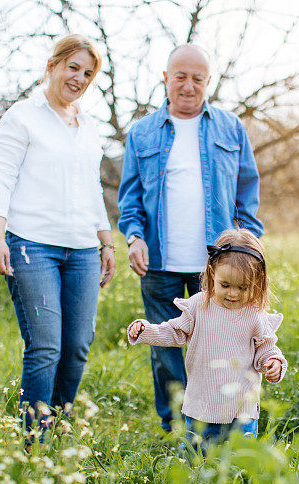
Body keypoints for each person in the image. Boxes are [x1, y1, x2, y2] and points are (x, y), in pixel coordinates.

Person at [118, 43, 264, 432]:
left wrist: (249, 250)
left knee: (224, 348)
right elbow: (129, 199)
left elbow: (247, 195)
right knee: (166, 348)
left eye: (197, 78)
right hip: (160, 261)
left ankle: (225, 425)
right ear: (165, 78)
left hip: (220, 267)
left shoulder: (231, 128)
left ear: (208, 82)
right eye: (179, 76)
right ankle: (178, 429)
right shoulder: (142, 133)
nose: (188, 85)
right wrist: (134, 237)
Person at [0, 34, 116, 444]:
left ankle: (58, 428)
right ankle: (32, 442)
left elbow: (92, 188)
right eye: (73, 67)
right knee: (45, 347)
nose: (79, 78)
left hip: (81, 248)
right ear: (54, 66)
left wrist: (106, 241)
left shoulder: (88, 126)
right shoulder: (23, 116)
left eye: (88, 73)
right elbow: (1, 176)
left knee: (77, 346)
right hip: (30, 243)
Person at [127, 229, 286, 452]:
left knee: (240, 458)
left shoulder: (254, 314)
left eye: (243, 287)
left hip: (241, 407)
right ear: (212, 273)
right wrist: (146, 331)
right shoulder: (199, 306)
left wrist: (274, 363)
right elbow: (174, 332)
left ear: (257, 282)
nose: (233, 294)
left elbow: (266, 349)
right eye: (225, 285)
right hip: (202, 403)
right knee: (194, 454)